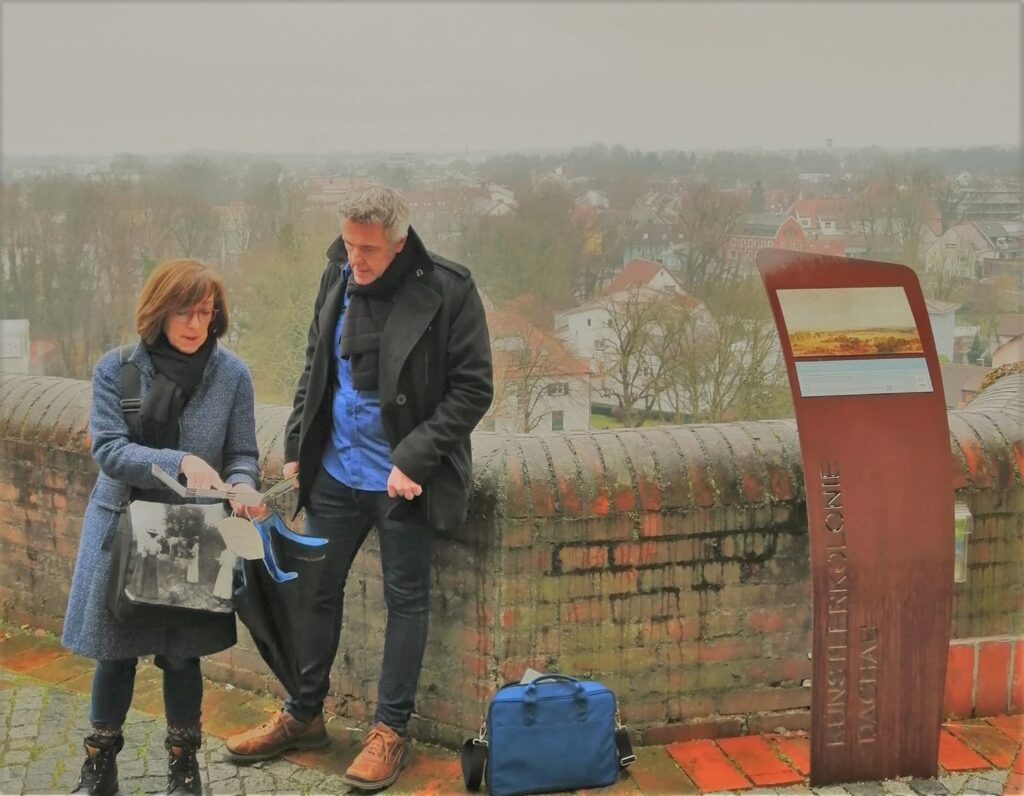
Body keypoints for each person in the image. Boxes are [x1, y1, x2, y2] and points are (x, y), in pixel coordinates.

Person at [226, 186, 493, 791]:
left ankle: (389, 731)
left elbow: (473, 389)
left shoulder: (449, 289)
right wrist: (298, 441)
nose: (356, 258)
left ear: (399, 242)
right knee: (313, 590)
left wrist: (417, 459)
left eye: (368, 248)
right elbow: (315, 361)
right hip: (337, 473)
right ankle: (303, 713)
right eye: (348, 243)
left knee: (407, 602)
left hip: (402, 484)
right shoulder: (336, 274)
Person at [62, 259, 264, 796]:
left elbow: (242, 452)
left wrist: (243, 486)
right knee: (115, 654)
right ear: (158, 311)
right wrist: (178, 460)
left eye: (205, 312)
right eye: (184, 312)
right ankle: (99, 768)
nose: (196, 324)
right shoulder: (119, 368)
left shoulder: (232, 374)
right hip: (122, 527)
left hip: (192, 532)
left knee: (181, 655)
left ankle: (183, 769)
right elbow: (109, 449)